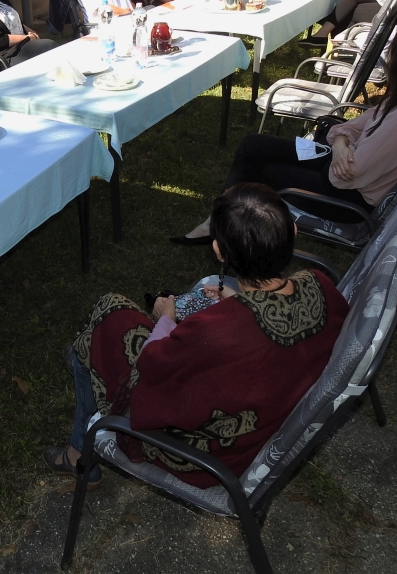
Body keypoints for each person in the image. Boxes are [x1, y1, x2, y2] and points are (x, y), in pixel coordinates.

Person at [43, 183, 349, 489]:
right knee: (97, 338)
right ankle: (84, 359)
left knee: (109, 311)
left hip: (205, 455)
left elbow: (152, 367)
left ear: (218, 251)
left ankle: (78, 453)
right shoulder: (320, 286)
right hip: (266, 420)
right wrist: (240, 302)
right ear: (293, 232)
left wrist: (166, 319)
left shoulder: (216, 331)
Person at [172, 17, 397, 244]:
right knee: (253, 144)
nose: (389, 57)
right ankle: (218, 221)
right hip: (336, 162)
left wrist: (341, 148)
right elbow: (349, 126)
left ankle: (227, 229)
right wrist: (341, 144)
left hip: (345, 195)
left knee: (267, 172)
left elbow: (350, 173)